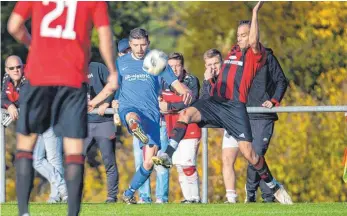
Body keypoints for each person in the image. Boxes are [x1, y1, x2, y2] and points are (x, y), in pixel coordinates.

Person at [152, 2, 293, 205]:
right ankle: (167, 155)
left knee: (250, 155)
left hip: (235, 108)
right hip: (215, 103)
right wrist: (210, 80)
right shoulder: (234, 50)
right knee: (185, 115)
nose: (240, 39)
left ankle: (273, 186)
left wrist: (254, 12)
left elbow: (254, 40)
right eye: (238, 36)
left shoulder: (256, 54)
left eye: (244, 35)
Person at [7, 1, 118, 216]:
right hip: (73, 78)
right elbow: (105, 36)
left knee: (26, 146)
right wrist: (112, 70)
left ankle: (23, 213)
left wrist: (32, 43)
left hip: (39, 76)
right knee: (74, 152)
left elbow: (14, 26)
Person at [88, 27, 193, 204]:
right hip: (130, 106)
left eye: (143, 45)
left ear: (148, 43)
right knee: (131, 116)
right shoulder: (121, 63)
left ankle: (129, 192)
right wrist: (94, 102)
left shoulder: (156, 60)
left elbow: (174, 81)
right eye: (136, 45)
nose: (139, 49)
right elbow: (111, 88)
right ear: (130, 44)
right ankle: (134, 126)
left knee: (149, 162)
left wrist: (185, 90)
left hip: (151, 113)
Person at [161, 52, 201, 203]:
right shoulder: (164, 82)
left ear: (183, 67)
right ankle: (188, 198)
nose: (175, 69)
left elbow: (190, 102)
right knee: (179, 165)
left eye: (178, 66)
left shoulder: (191, 81)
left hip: (190, 128)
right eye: (171, 67)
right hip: (173, 130)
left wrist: (169, 106)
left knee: (188, 163)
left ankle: (195, 198)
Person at [84, 62, 119, 203]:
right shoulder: (70, 70)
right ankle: (72, 196)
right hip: (82, 124)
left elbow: (114, 85)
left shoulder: (97, 67)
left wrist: (107, 102)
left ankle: (111, 197)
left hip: (104, 122)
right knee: (74, 161)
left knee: (109, 161)